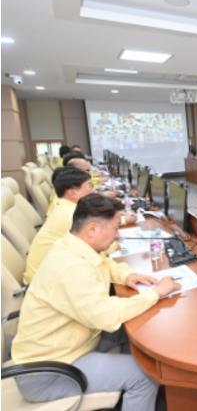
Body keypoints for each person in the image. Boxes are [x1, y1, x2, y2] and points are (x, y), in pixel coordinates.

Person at [12, 194, 180, 410]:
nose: (117, 234)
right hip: (51, 372)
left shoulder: (71, 246)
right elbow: (107, 317)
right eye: (115, 228)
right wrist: (156, 293)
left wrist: (126, 276)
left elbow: (103, 264)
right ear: (92, 229)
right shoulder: (71, 268)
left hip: (72, 345)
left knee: (134, 334)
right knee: (145, 375)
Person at [24, 167, 95, 284]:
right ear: (72, 193)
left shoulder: (65, 207)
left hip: (48, 275)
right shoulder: (70, 215)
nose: (94, 190)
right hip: (47, 284)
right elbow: (97, 249)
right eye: (89, 186)